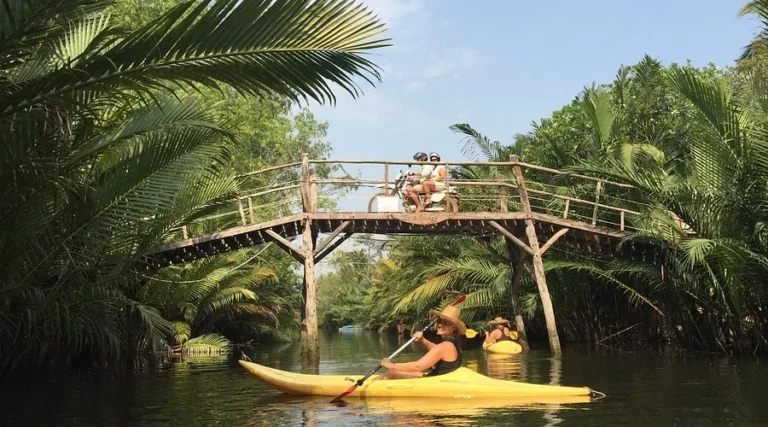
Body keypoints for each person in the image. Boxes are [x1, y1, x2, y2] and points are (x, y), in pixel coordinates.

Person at [377, 305, 466, 380]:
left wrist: (391, 365)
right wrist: (423, 341)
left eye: (446, 323)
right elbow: (436, 350)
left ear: (453, 327)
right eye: (439, 321)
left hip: (435, 383)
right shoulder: (452, 342)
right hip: (437, 379)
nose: (440, 325)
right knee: (416, 373)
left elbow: (418, 366)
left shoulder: (445, 346)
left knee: (390, 373)